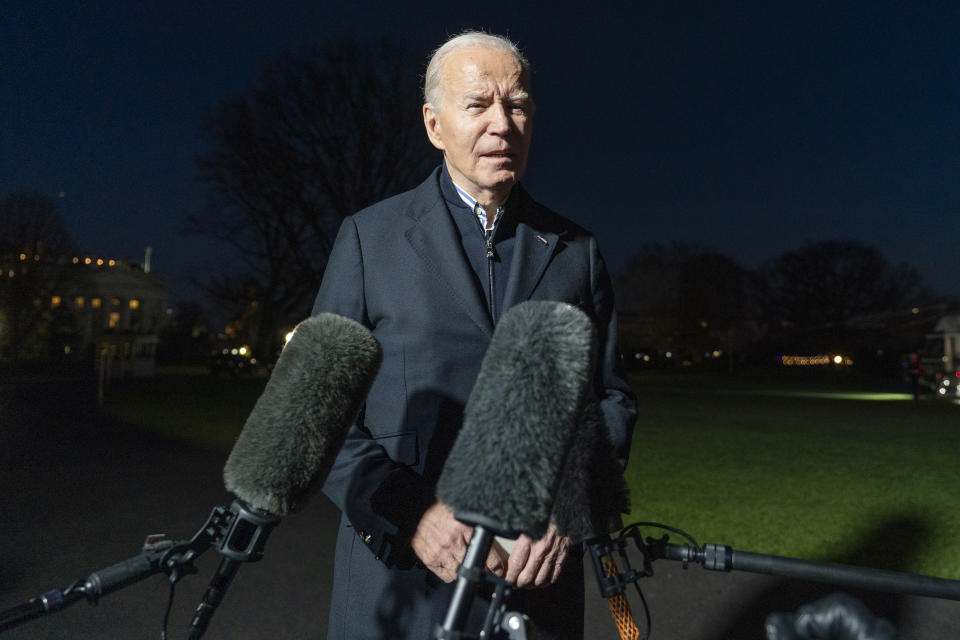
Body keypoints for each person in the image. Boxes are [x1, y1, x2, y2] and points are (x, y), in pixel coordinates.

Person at [312, 31, 637, 639]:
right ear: (434, 125)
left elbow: (611, 401)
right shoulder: (368, 240)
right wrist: (410, 513)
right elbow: (319, 415)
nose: (502, 123)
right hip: (399, 588)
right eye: (478, 104)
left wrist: (570, 505)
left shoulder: (576, 253)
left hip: (536, 588)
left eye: (517, 105)